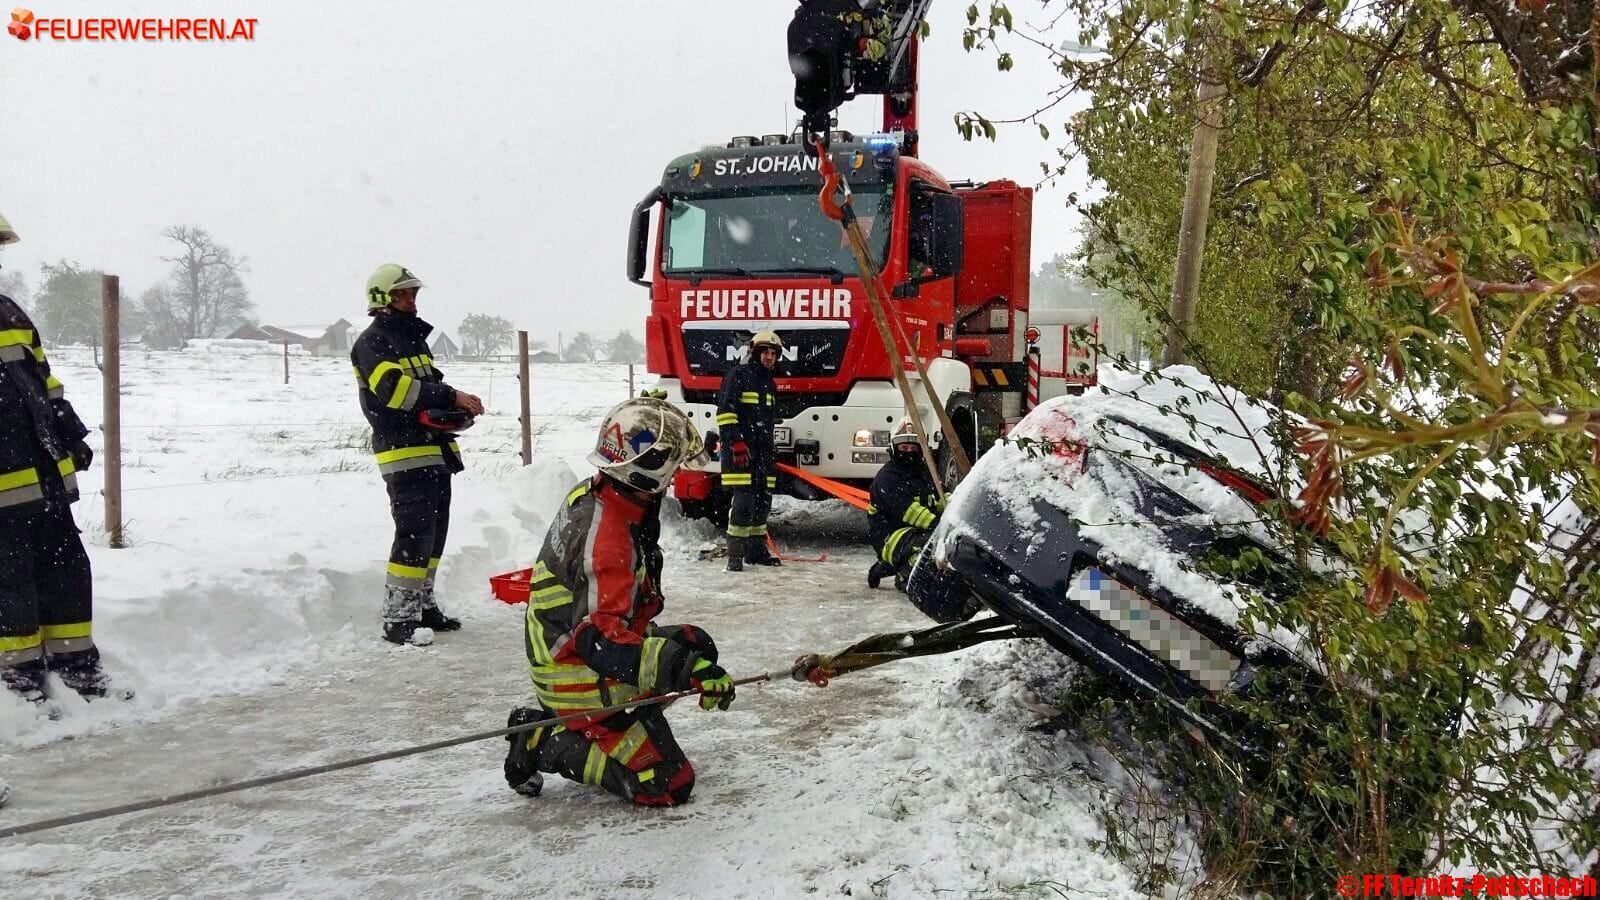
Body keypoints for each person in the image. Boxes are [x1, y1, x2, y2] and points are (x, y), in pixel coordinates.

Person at [503, 396, 736, 806]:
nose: (675, 476)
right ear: (647, 471)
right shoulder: (607, 538)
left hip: (569, 644)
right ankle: (542, 741)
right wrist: (682, 669)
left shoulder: (602, 491)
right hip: (573, 672)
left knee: (694, 645)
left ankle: (627, 721)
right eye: (672, 467)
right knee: (667, 783)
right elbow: (600, 641)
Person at [0, 212, 113, 703]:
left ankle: (77, 669)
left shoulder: (9, 312)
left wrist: (66, 426)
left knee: (66, 571)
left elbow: (41, 381)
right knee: (11, 582)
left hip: (42, 481)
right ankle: (20, 682)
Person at [351, 263, 483, 645]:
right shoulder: (373, 342)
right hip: (404, 451)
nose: (411, 299)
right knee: (413, 533)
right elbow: (394, 391)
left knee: (434, 533)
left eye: (413, 292)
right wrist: (450, 397)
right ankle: (398, 618)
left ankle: (423, 606)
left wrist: (455, 410)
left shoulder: (412, 339)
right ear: (383, 298)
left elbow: (427, 387)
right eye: (403, 293)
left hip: (433, 447)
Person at [716, 331, 783, 571]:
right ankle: (735, 557)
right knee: (743, 504)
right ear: (755, 353)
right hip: (741, 453)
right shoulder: (738, 375)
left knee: (762, 504)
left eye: (773, 353)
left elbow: (767, 422)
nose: (769, 357)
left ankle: (756, 553)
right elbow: (725, 412)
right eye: (765, 352)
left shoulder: (769, 384)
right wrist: (736, 443)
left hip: (763, 455)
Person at [866, 419, 945, 591]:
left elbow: (940, 497)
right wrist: (938, 525)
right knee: (929, 546)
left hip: (917, 532)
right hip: (890, 536)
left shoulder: (925, 472)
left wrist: (955, 507)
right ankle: (906, 576)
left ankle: (888, 565)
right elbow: (909, 511)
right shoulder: (887, 478)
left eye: (913, 448)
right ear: (894, 448)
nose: (909, 452)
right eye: (904, 448)